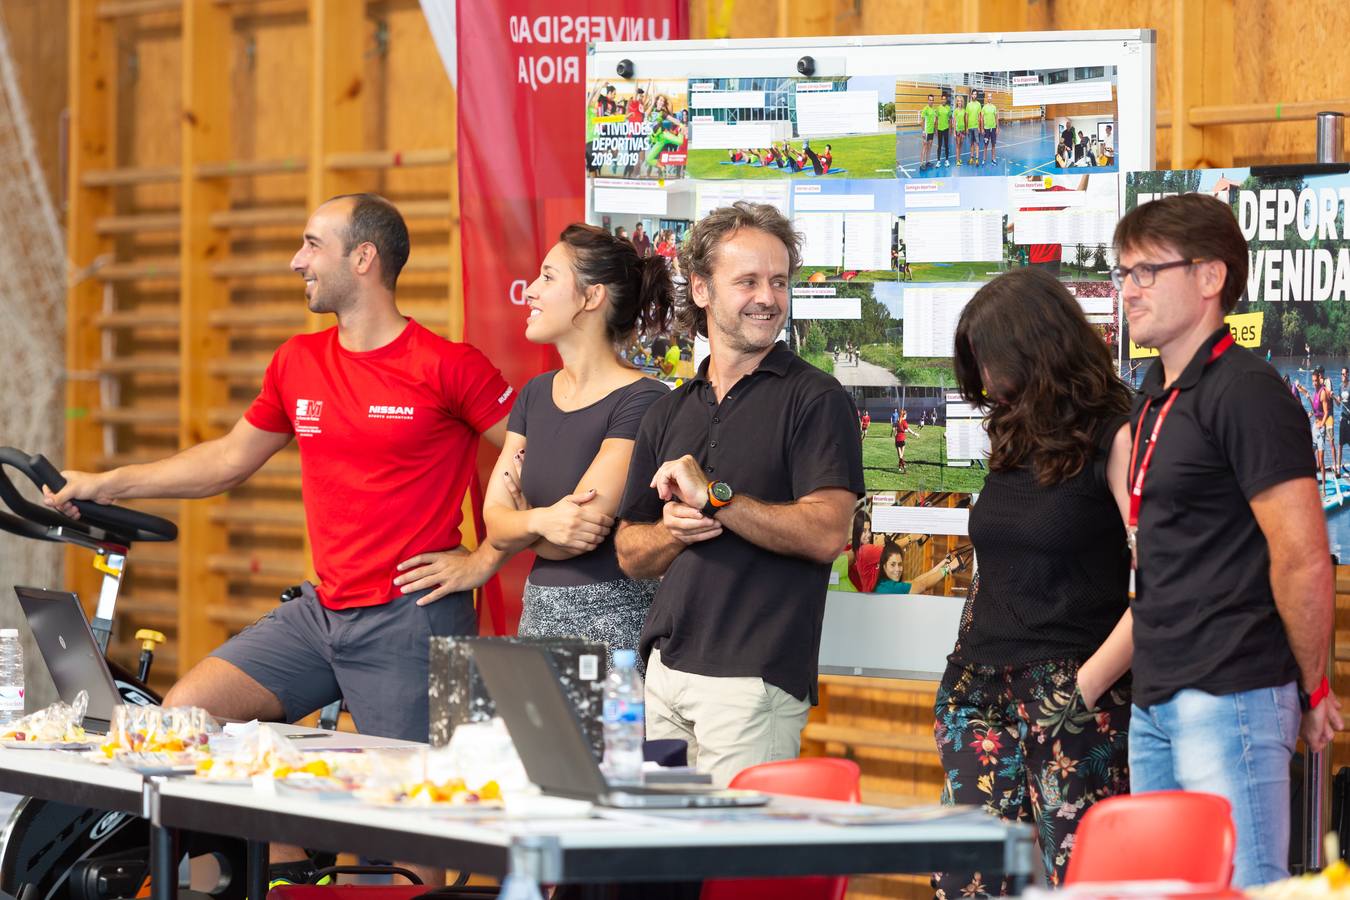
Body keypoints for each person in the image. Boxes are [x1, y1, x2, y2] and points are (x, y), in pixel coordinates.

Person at [45, 194, 515, 882]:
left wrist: (485, 556)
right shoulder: (298, 361)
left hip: (412, 620)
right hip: (322, 613)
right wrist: (109, 482)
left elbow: (529, 456)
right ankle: (294, 882)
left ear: (364, 258)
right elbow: (227, 459)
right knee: (184, 718)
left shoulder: (446, 365)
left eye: (311, 245)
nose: (298, 261)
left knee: (413, 835)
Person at [1114, 193, 1342, 887]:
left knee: (1245, 885)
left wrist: (1313, 687)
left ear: (1211, 277)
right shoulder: (1155, 392)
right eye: (1123, 273)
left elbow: (1303, 556)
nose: (1129, 290)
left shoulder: (1247, 390)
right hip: (1154, 694)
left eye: (1148, 272)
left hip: (1233, 692)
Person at [613, 202, 864, 786]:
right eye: (747, 281)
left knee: (729, 870)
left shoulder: (816, 398)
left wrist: (718, 496)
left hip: (753, 683)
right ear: (701, 288)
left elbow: (830, 532)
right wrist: (670, 532)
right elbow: (629, 552)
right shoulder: (668, 409)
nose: (768, 298)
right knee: (667, 864)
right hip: (664, 677)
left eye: (779, 282)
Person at [934, 267, 1135, 892]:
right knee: (971, 884)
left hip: (1070, 694)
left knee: (1077, 881)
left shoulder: (1118, 432)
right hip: (977, 691)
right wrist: (957, 681)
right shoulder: (1013, 433)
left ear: (1039, 347)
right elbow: (997, 566)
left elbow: (1163, 583)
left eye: (992, 364)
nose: (987, 384)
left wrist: (1084, 689)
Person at [482, 225, 673, 664]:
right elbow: (494, 526)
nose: (530, 291)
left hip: (614, 632)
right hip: (538, 621)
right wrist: (544, 519)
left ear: (592, 297)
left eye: (548, 277)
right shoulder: (533, 393)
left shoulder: (644, 399)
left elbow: (574, 537)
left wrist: (525, 519)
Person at [874, 539, 959, 595]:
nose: (897, 569)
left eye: (900, 564)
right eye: (892, 564)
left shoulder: (883, 584)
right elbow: (922, 585)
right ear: (884, 566)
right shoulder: (892, 588)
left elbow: (915, 582)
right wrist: (947, 568)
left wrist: (942, 565)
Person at [1311, 366, 1335, 485]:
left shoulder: (1323, 390)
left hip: (1323, 424)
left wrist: (1322, 424)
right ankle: (1314, 482)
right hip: (1315, 426)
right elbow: (1316, 408)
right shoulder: (1315, 391)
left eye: (1317, 380)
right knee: (1310, 456)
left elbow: (1326, 412)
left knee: (1321, 460)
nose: (1315, 383)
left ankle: (1324, 487)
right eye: (1313, 381)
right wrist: (1311, 413)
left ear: (1321, 376)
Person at [919, 94, 937, 171]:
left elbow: (934, 121)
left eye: (932, 100)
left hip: (931, 131)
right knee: (924, 147)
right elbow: (922, 121)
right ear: (928, 100)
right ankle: (921, 164)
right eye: (930, 100)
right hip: (926, 131)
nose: (931, 101)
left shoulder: (933, 110)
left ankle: (927, 162)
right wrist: (923, 131)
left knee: (929, 147)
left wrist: (935, 130)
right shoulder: (925, 109)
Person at [1337, 367, 1350, 476]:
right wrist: (1333, 397)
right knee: (1340, 445)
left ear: (1348, 375)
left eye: (1344, 374)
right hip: (1343, 418)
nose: (1342, 376)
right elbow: (1338, 403)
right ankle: (1338, 469)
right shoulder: (1340, 387)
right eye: (1341, 374)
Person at [935, 92, 952, 168]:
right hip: (939, 129)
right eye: (942, 99)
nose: (943, 100)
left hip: (946, 129)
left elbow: (950, 119)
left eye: (945, 99)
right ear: (941, 100)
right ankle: (938, 161)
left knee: (946, 145)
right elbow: (936, 119)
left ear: (946, 100)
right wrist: (935, 129)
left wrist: (951, 129)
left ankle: (947, 160)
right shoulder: (938, 108)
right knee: (939, 145)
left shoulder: (948, 108)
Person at [965, 93, 982, 166]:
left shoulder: (978, 104)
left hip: (976, 127)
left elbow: (979, 116)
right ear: (971, 95)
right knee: (971, 143)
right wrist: (966, 127)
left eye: (975, 94)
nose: (974, 96)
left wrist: (979, 127)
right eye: (973, 94)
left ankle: (977, 159)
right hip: (970, 127)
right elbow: (966, 116)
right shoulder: (968, 105)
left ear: (976, 96)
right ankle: (972, 158)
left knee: (977, 143)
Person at [981, 97, 998, 164]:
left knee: (993, 144)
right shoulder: (984, 107)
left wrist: (997, 128)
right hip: (986, 129)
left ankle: (993, 159)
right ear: (987, 99)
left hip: (993, 128)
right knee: (985, 145)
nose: (989, 98)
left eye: (991, 97)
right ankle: (984, 159)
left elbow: (996, 118)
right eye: (988, 97)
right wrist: (982, 128)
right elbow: (981, 119)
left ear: (992, 99)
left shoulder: (994, 107)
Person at [953, 94, 966, 168]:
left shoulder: (964, 110)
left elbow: (964, 120)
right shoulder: (955, 111)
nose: (959, 102)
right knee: (957, 146)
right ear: (957, 102)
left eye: (961, 101)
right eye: (958, 101)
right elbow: (954, 122)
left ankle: (959, 158)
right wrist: (954, 132)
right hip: (957, 130)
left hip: (962, 130)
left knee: (961, 145)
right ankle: (957, 160)